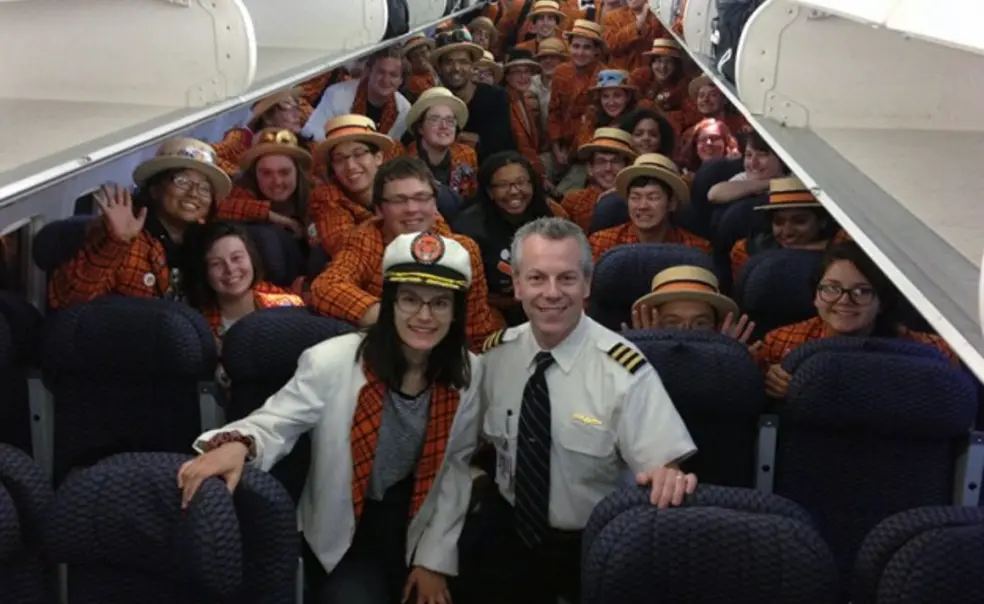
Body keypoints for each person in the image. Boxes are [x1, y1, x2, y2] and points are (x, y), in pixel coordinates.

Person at [178, 231, 483, 604]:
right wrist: (238, 444)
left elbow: (455, 465)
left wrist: (434, 560)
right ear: (388, 304)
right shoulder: (332, 361)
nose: (423, 315)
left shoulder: (470, 374)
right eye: (409, 300)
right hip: (347, 525)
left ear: (455, 314)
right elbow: (275, 420)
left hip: (420, 519)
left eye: (439, 303)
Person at [475, 216, 698, 604]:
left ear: (587, 284)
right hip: (507, 538)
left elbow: (663, 468)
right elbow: (464, 447)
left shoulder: (624, 370)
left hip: (587, 549)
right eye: (537, 278)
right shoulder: (495, 357)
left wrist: (668, 474)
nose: (551, 293)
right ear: (516, 285)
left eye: (566, 278)